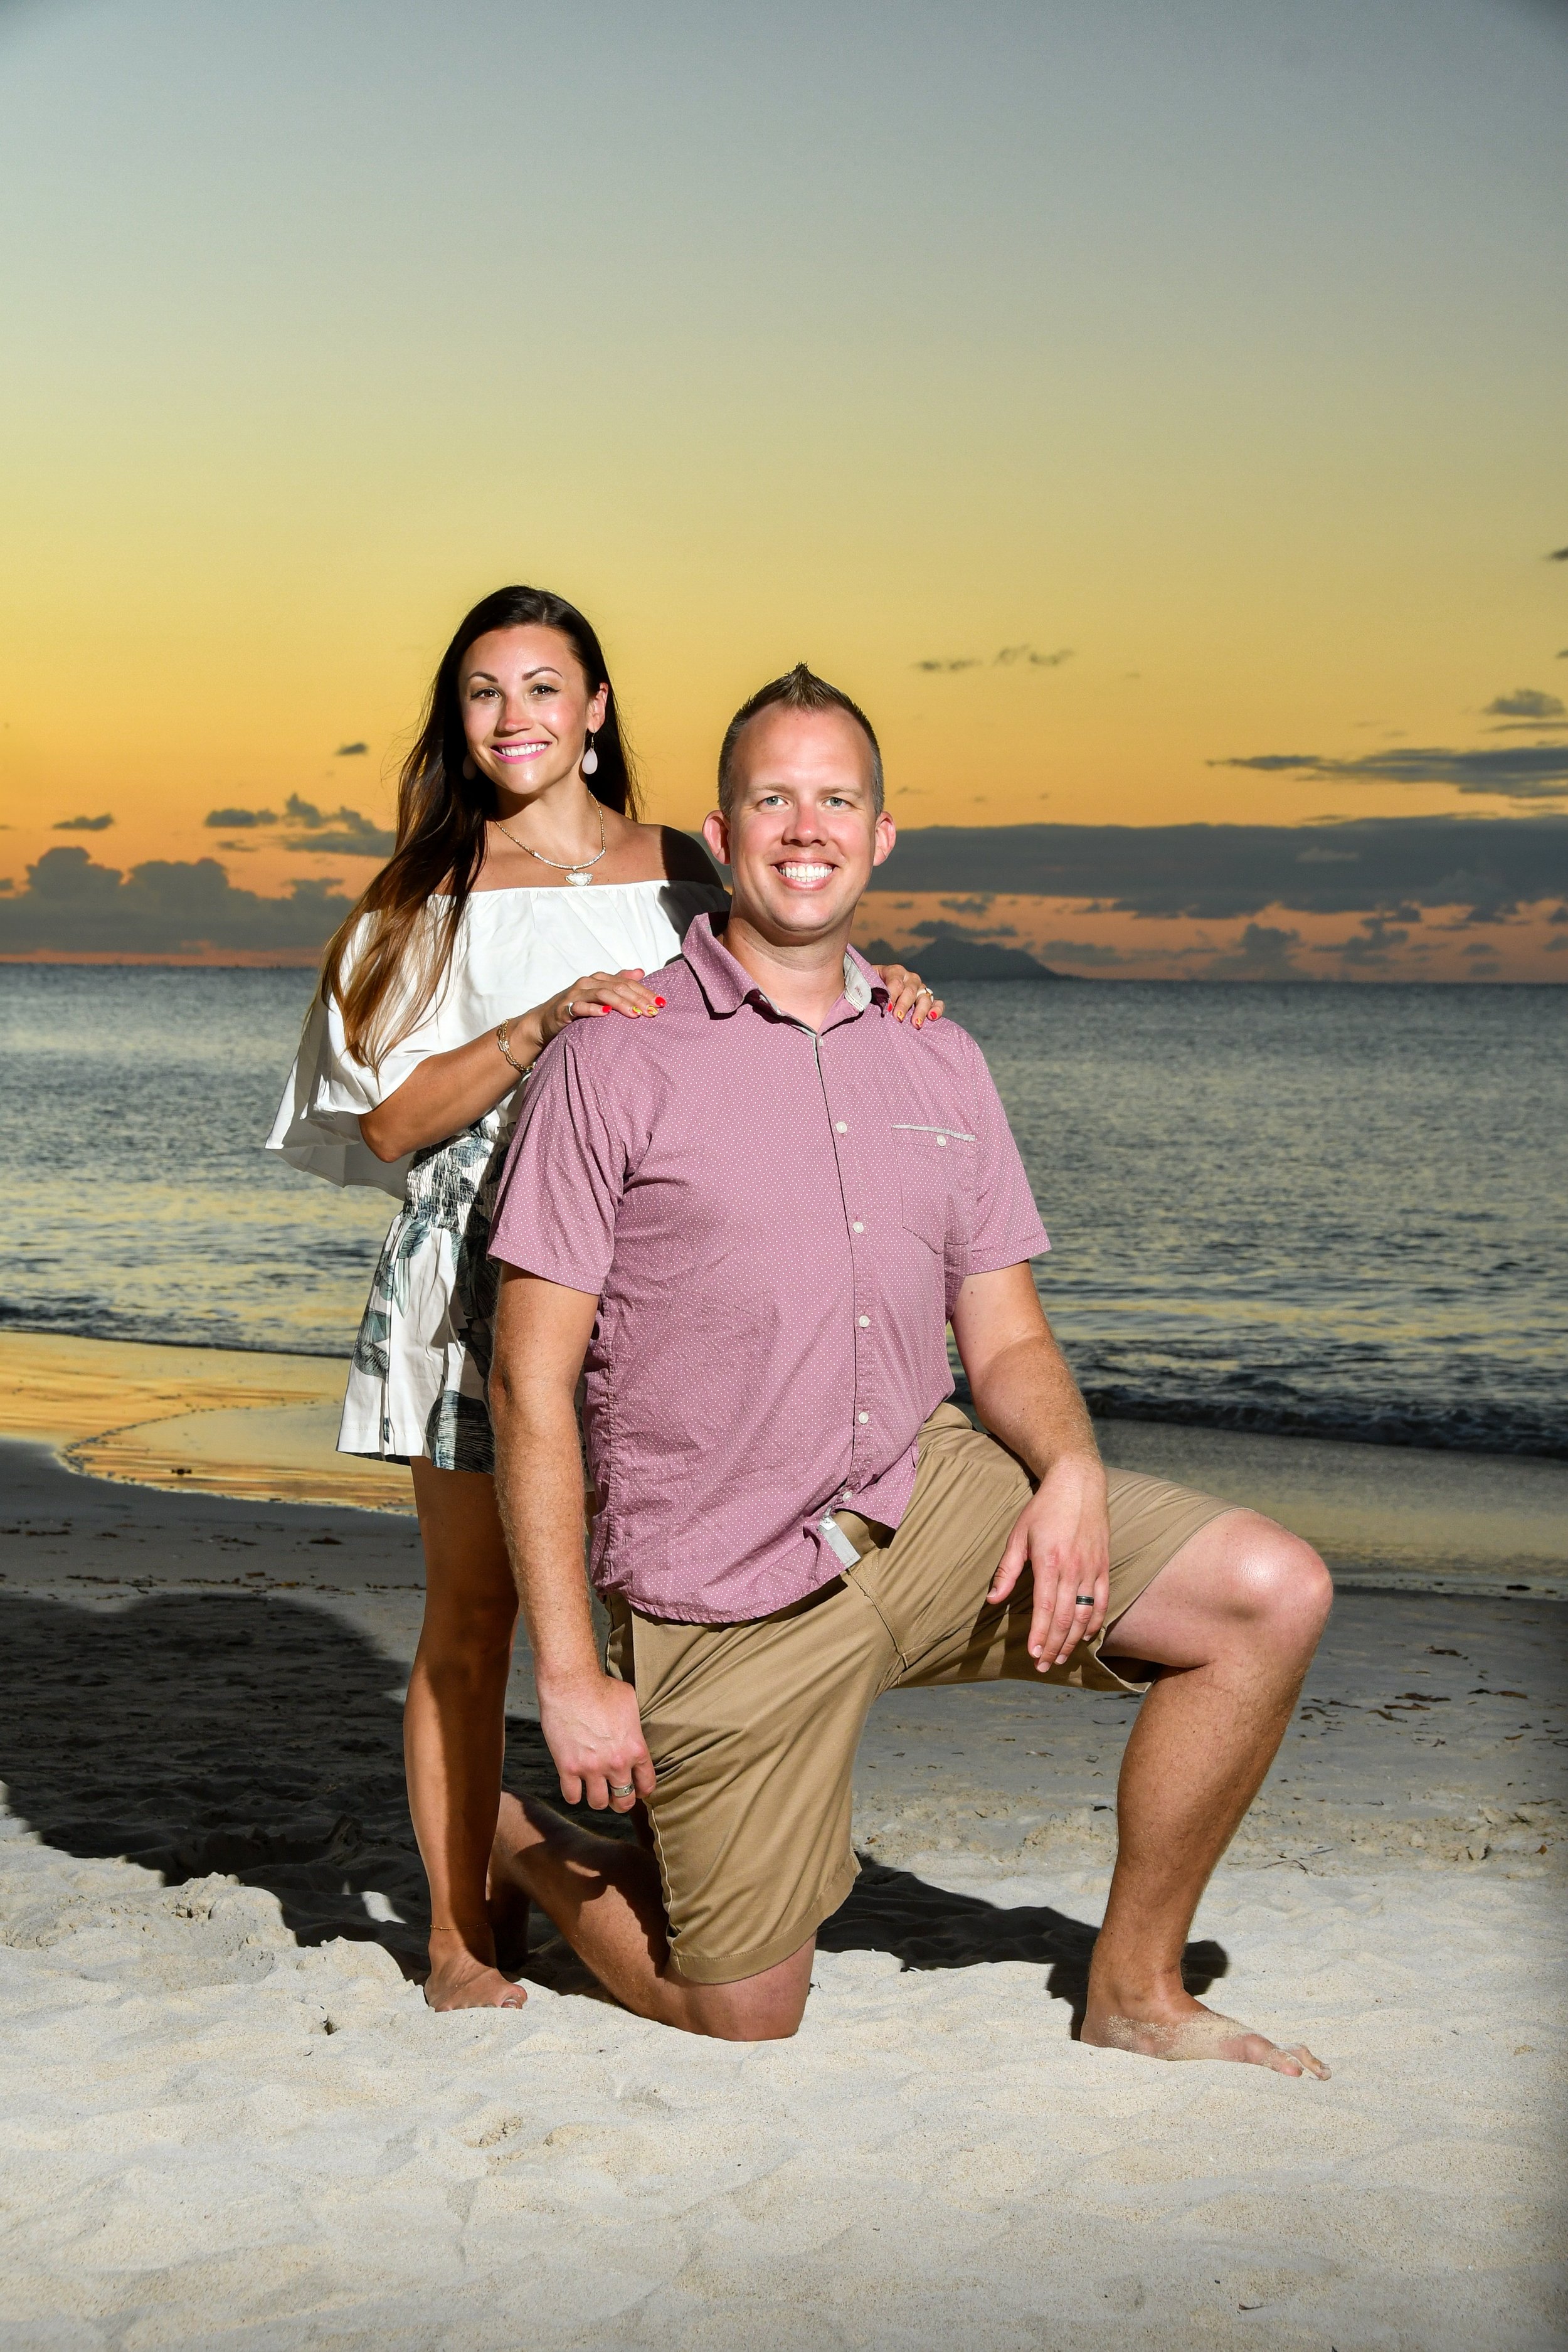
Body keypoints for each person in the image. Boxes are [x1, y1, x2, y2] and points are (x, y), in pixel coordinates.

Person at [482, 662, 1335, 2074]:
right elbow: (528, 1385)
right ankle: (526, 1842)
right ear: (719, 832)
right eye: (772, 797)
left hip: (922, 1505)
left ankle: (1133, 1991)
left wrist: (1065, 1471)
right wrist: (568, 1672)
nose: (804, 827)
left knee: (1270, 1593)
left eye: (836, 799)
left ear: (881, 835)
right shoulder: (614, 1059)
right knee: (740, 2015)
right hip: (721, 1584)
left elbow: (1001, 1333)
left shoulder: (939, 1059)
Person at [267, 600, 941, 2011]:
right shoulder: (420, 897)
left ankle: (659, 1877)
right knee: (478, 1614)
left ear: (597, 707)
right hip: (472, 1286)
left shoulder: (685, 869)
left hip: (656, 1280)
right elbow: (386, 1130)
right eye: (483, 694)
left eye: (543, 689)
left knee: (662, 1595)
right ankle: (458, 1937)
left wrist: (895, 995)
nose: (515, 718)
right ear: (457, 721)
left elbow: (782, 978)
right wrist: (535, 1030)